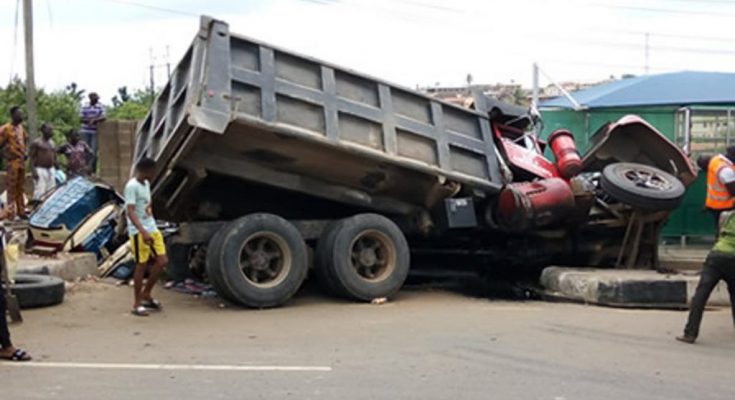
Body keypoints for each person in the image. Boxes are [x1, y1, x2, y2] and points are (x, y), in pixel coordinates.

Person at [677, 210, 735, 344]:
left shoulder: (727, 215)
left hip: (717, 256)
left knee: (700, 296)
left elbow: (720, 234)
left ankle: (690, 333)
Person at [125, 158, 167, 317]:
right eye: (152, 171)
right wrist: (142, 231)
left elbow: (147, 206)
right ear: (146, 170)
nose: (154, 174)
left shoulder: (146, 184)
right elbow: (130, 211)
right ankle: (136, 304)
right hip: (139, 231)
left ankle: (146, 293)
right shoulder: (132, 186)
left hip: (152, 227)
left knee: (162, 261)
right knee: (141, 265)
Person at [0, 107, 28, 219]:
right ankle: (10, 213)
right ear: (13, 115)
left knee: (20, 188)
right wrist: (5, 155)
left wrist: (24, 153)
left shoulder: (21, 128)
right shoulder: (5, 129)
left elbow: (24, 141)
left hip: (21, 163)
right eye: (19, 114)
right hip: (12, 163)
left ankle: (21, 211)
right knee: (11, 189)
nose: (21, 116)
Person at [704, 147, 735, 234]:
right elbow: (733, 191)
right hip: (724, 206)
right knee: (726, 231)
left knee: (721, 229)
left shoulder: (716, 160)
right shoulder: (726, 170)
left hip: (714, 203)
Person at [29, 122, 57, 200]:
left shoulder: (52, 143)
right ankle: (37, 209)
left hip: (51, 169)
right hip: (40, 169)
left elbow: (55, 157)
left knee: (51, 192)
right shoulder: (37, 142)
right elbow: (31, 157)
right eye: (49, 129)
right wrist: (33, 170)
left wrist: (58, 169)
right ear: (43, 130)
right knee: (40, 192)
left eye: (52, 130)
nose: (51, 131)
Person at [79, 92, 105, 172]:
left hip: (95, 131)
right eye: (95, 98)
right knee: (85, 151)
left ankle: (92, 169)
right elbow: (81, 119)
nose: (97, 100)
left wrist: (95, 120)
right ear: (91, 98)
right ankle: (85, 168)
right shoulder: (84, 106)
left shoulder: (100, 106)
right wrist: (89, 121)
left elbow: (104, 117)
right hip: (85, 131)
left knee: (93, 151)